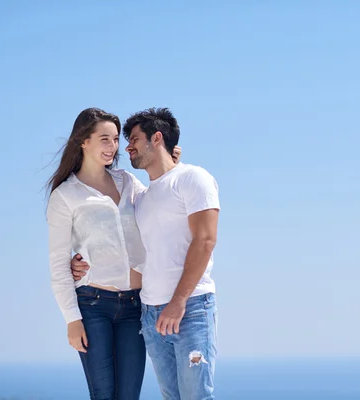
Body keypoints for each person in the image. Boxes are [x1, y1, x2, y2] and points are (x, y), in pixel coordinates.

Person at [72, 107, 220, 400]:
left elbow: (205, 241)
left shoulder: (194, 178)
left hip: (189, 308)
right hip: (150, 314)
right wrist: (79, 259)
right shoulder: (141, 196)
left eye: (134, 139)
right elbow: (116, 236)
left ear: (156, 138)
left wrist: (178, 302)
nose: (126, 147)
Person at [46, 107, 181, 400]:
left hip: (136, 306)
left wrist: (170, 163)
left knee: (129, 395)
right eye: (104, 139)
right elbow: (57, 263)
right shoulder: (65, 196)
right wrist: (72, 319)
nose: (113, 146)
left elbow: (160, 204)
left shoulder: (127, 183)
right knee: (104, 394)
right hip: (94, 306)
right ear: (83, 141)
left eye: (115, 139)